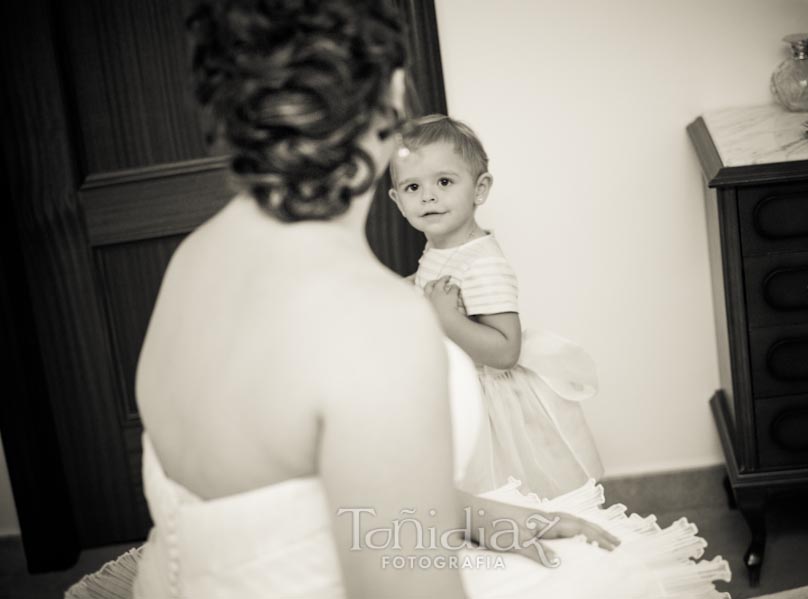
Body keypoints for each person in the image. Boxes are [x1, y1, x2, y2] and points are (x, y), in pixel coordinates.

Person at [65, 1, 731, 598]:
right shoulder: (380, 323)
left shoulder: (193, 261)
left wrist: (478, 512)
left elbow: (287, 481)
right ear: (390, 97)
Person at [389, 115, 605, 499]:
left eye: (444, 182)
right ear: (397, 201)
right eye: (412, 187)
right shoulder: (442, 246)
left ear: (480, 188)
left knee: (493, 491)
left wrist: (445, 319)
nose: (428, 196)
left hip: (487, 403)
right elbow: (440, 291)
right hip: (452, 388)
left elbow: (506, 351)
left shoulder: (483, 262)